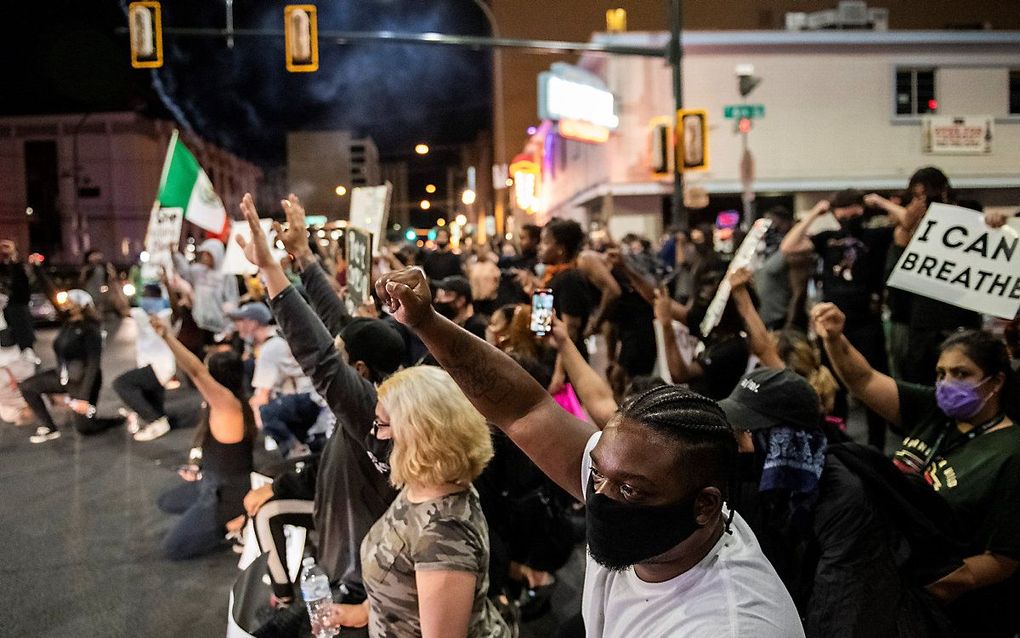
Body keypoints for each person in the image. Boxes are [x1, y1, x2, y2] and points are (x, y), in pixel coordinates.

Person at [374, 267, 805, 637]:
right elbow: (523, 408)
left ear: (706, 504)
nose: (599, 497)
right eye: (597, 474)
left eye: (631, 491)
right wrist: (427, 322)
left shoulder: (731, 624)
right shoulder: (627, 475)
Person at [236, 194, 403, 635]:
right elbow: (336, 326)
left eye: (344, 356)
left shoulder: (373, 408)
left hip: (355, 575)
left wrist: (271, 270)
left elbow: (320, 356)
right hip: (340, 528)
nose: (336, 350)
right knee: (271, 509)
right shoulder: (385, 392)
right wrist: (304, 257)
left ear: (361, 371)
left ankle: (289, 602)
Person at [813, 302, 1020, 637]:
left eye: (961, 374)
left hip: (950, 611)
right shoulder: (935, 411)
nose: (947, 383)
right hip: (889, 574)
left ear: (995, 382)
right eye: (941, 373)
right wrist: (834, 338)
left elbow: (1005, 559)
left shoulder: (1011, 452)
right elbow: (863, 379)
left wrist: (936, 585)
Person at [325, 366, 510, 636]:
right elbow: (401, 576)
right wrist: (367, 610)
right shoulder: (426, 482)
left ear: (418, 435)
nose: (377, 434)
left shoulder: (443, 532)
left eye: (382, 424)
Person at [781, 190, 895, 449]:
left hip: (867, 320)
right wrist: (815, 213)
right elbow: (788, 246)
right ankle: (838, 442)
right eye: (843, 210)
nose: (848, 215)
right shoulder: (827, 238)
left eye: (853, 209)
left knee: (873, 381)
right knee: (835, 386)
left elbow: (909, 225)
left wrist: (880, 203)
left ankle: (877, 446)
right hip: (832, 323)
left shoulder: (875, 235)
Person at [150, 314, 255, 560]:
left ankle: (237, 523)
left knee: (172, 548)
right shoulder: (228, 401)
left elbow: (196, 372)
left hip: (227, 494)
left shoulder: (228, 405)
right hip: (212, 479)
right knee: (166, 502)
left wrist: (167, 336)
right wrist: (196, 465)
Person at [20, 290, 118, 443]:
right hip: (63, 376)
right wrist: (34, 267)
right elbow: (50, 291)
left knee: (85, 428)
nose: (67, 304)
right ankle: (50, 428)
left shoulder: (90, 329)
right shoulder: (68, 324)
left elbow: (93, 364)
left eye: (71, 301)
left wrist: (84, 399)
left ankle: (117, 419)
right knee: (28, 386)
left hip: (82, 381)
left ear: (82, 305)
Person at [229, 302, 323, 459]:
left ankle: (296, 451)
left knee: (265, 411)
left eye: (241, 321)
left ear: (253, 323)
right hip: (311, 395)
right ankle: (304, 442)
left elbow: (262, 396)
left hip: (307, 398)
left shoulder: (269, 349)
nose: (237, 326)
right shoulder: (276, 335)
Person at [113, 284, 176, 441]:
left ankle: (156, 421)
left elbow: (176, 309)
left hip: (160, 365)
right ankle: (159, 416)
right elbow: (122, 308)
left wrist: (168, 283)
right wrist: (114, 284)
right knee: (149, 392)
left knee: (121, 384)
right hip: (150, 364)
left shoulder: (166, 313)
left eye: (148, 295)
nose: (145, 299)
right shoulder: (140, 314)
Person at [174, 238, 239, 341]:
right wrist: (175, 254)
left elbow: (232, 303)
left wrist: (230, 328)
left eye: (208, 254)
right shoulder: (198, 271)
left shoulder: (226, 277)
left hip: (219, 328)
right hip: (199, 324)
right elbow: (184, 272)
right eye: (203, 253)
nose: (204, 257)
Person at [0, 240, 36, 353]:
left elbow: (26, 284)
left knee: (23, 337)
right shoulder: (2, 268)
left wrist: (13, 260)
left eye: (8, 247)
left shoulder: (20, 267)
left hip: (17, 306)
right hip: (5, 309)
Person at [433, 275, 489, 340]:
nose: (440, 300)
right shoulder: (452, 322)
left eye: (447, 295)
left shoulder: (475, 327)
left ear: (461, 300)